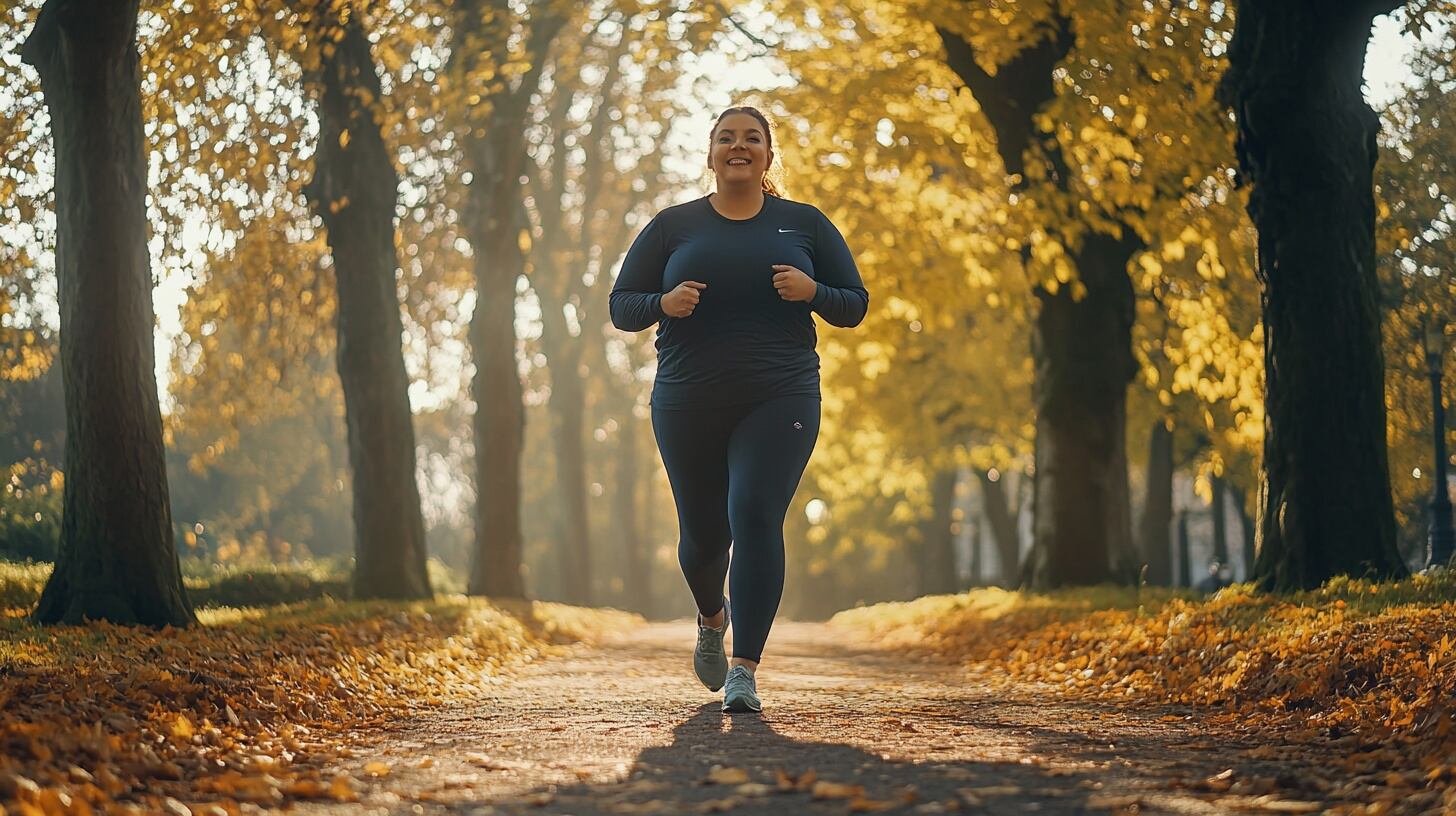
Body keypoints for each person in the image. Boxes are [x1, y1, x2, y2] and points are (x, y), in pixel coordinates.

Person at [609, 105, 869, 713]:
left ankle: (745, 670)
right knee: (703, 537)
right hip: (688, 396)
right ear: (710, 153)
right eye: (727, 138)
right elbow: (622, 306)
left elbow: (853, 304)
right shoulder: (674, 226)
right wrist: (663, 302)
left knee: (753, 512)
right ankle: (710, 616)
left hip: (781, 393)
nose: (739, 146)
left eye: (752, 138)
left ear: (768, 156)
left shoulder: (803, 224)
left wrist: (814, 293)